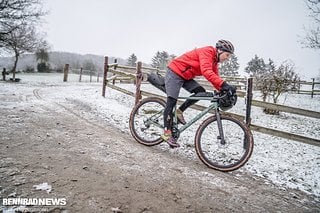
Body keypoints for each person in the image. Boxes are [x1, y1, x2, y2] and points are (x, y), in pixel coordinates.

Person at [162, 39, 237, 147]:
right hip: (174, 72)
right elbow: (206, 71)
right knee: (172, 101)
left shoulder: (214, 62)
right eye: (227, 55)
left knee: (200, 92)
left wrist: (223, 88)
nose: (227, 58)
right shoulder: (207, 51)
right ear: (220, 50)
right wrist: (224, 84)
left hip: (185, 76)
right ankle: (166, 133)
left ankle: (179, 111)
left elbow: (214, 78)